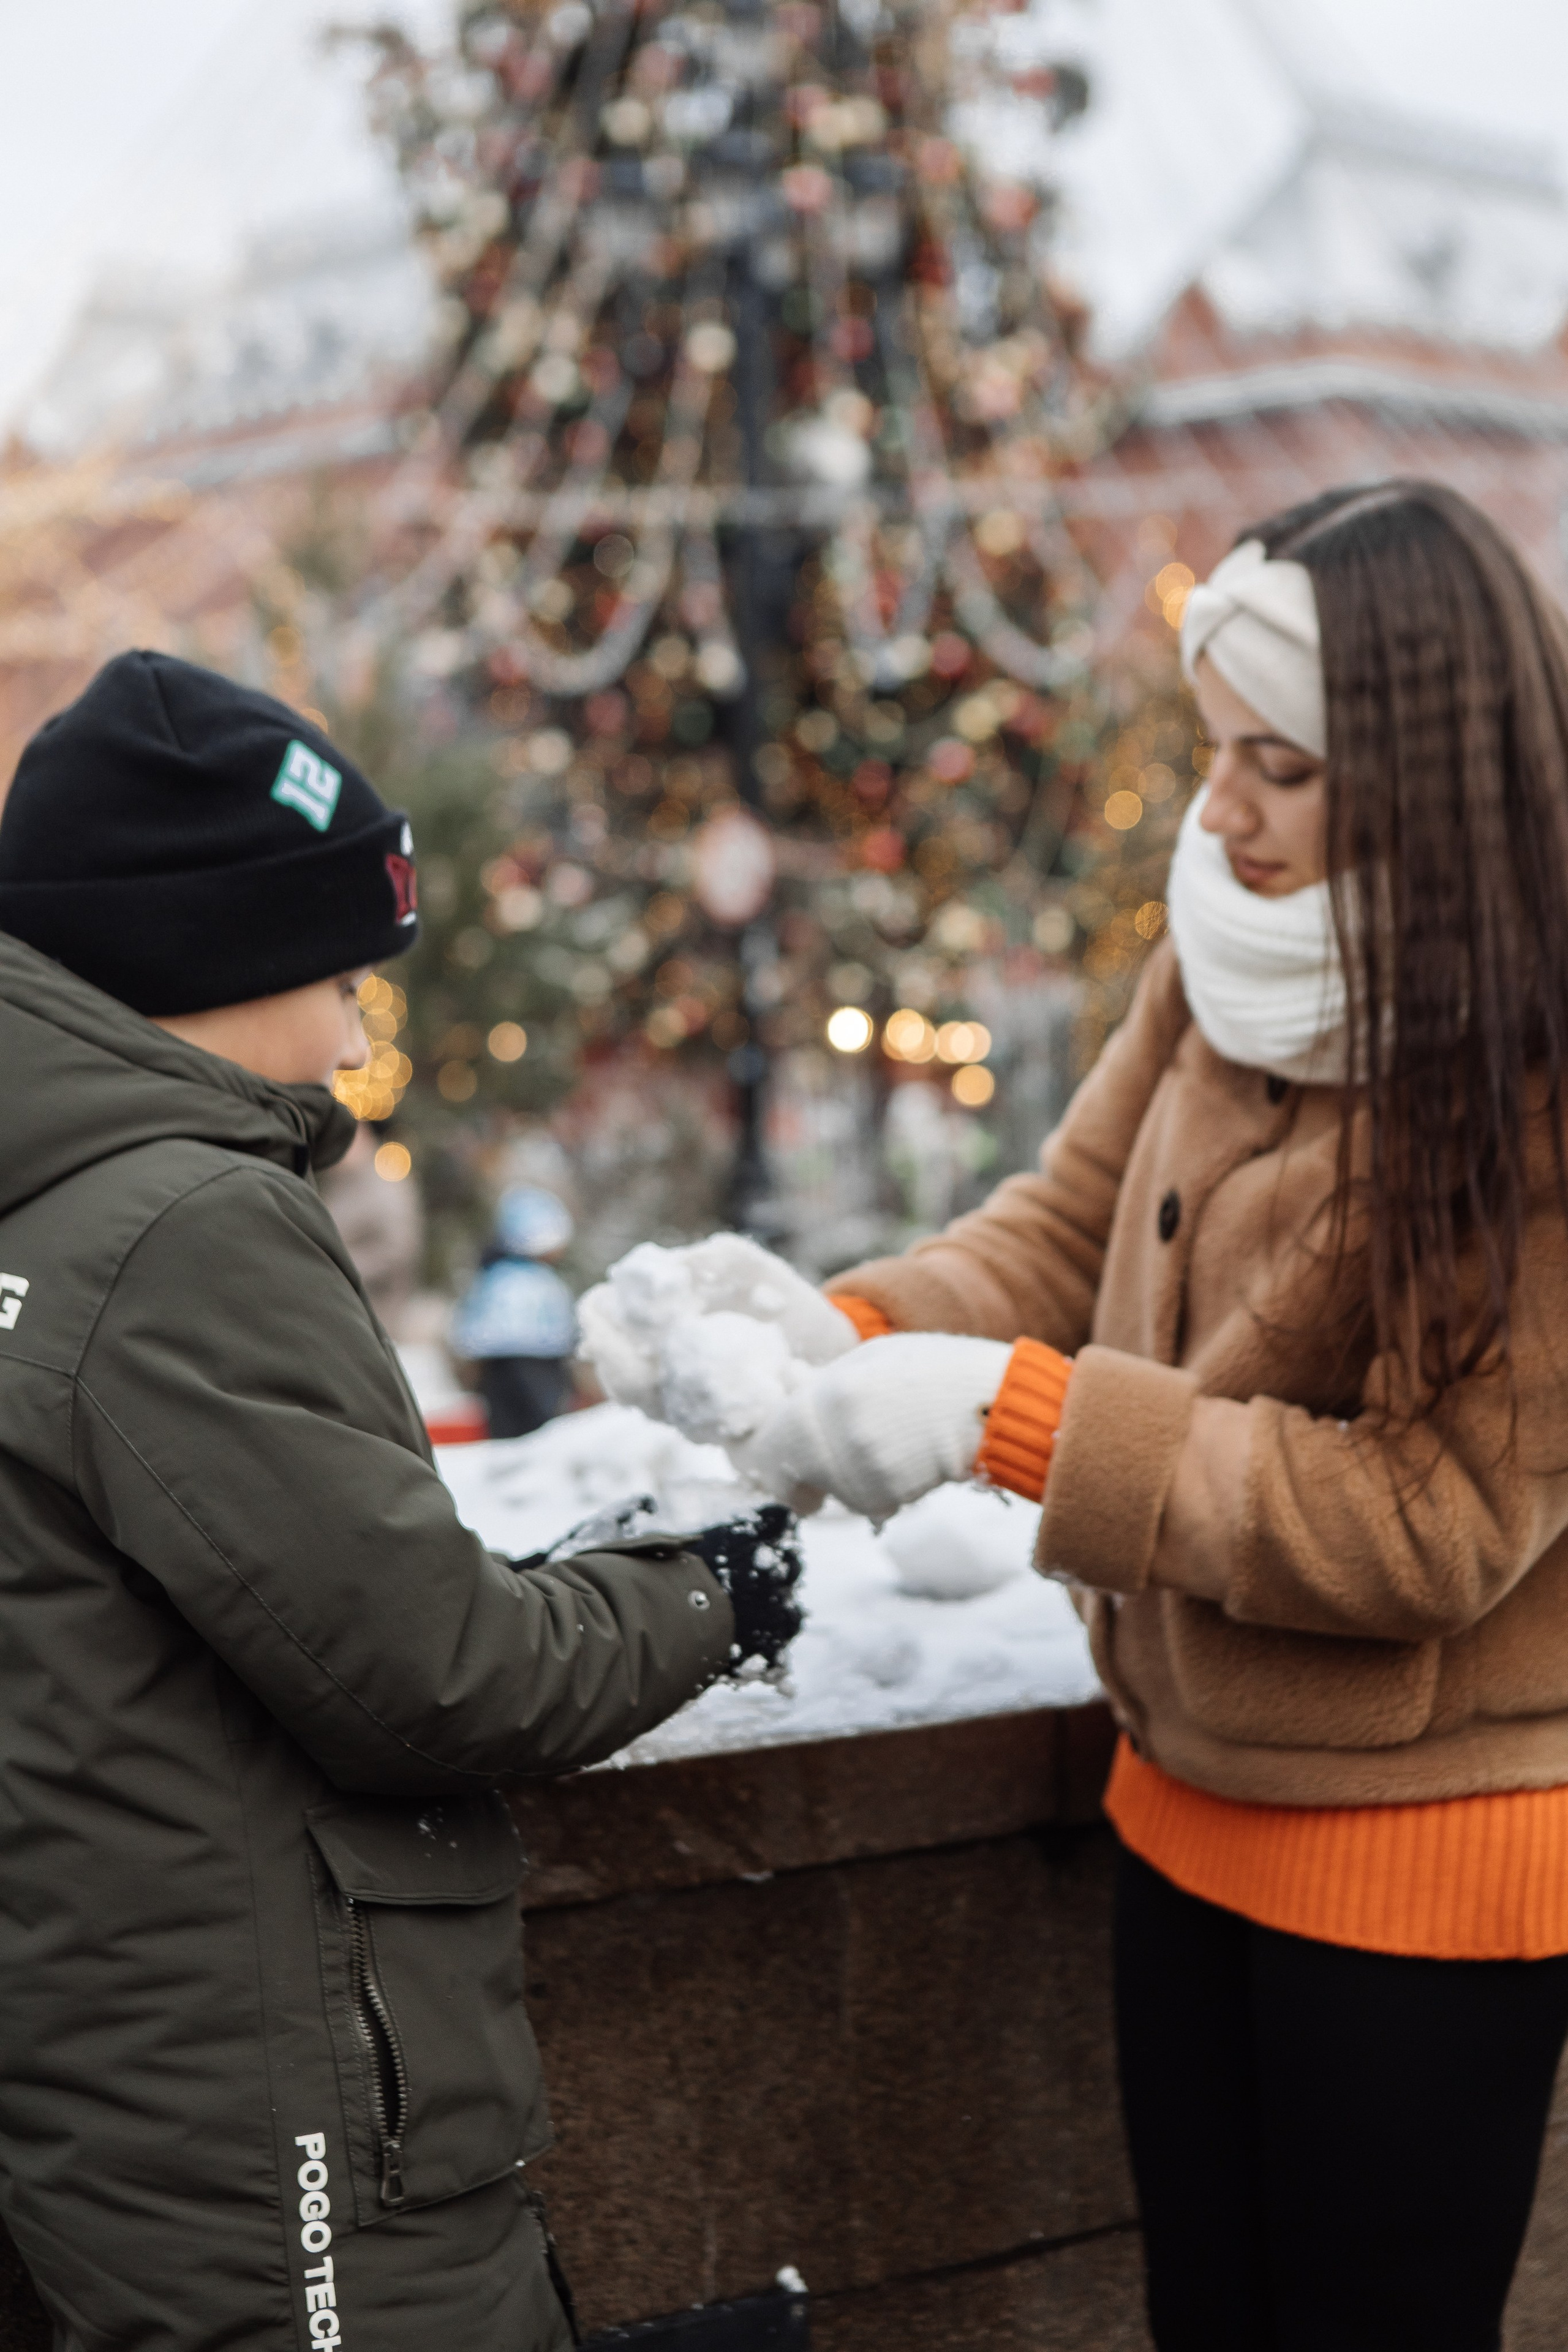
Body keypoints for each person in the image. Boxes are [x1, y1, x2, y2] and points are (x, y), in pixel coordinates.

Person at [592, 483, 1568, 2351]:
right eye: (1215, 751)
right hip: (1179, 1803)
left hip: (1425, 1862)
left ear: (1427, 778)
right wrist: (843, 1326)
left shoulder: (1533, 1077)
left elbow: (1428, 1523)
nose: (1222, 810)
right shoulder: (1225, 950)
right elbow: (1063, 1227)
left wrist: (1014, 1417)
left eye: (1280, 767)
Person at [0, 650, 799, 2352]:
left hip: (117, 2085)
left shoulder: (43, 1197)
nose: (363, 1037)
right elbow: (433, 1673)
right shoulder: (179, 1225)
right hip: (272, 2124)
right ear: (207, 957)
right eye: (344, 978)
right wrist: (709, 1590)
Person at [453, 1187, 579, 1438]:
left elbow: (471, 1323)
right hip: (541, 1366)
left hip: (500, 1367)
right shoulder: (541, 1283)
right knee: (542, 1429)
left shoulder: (493, 1276)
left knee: (508, 1429)